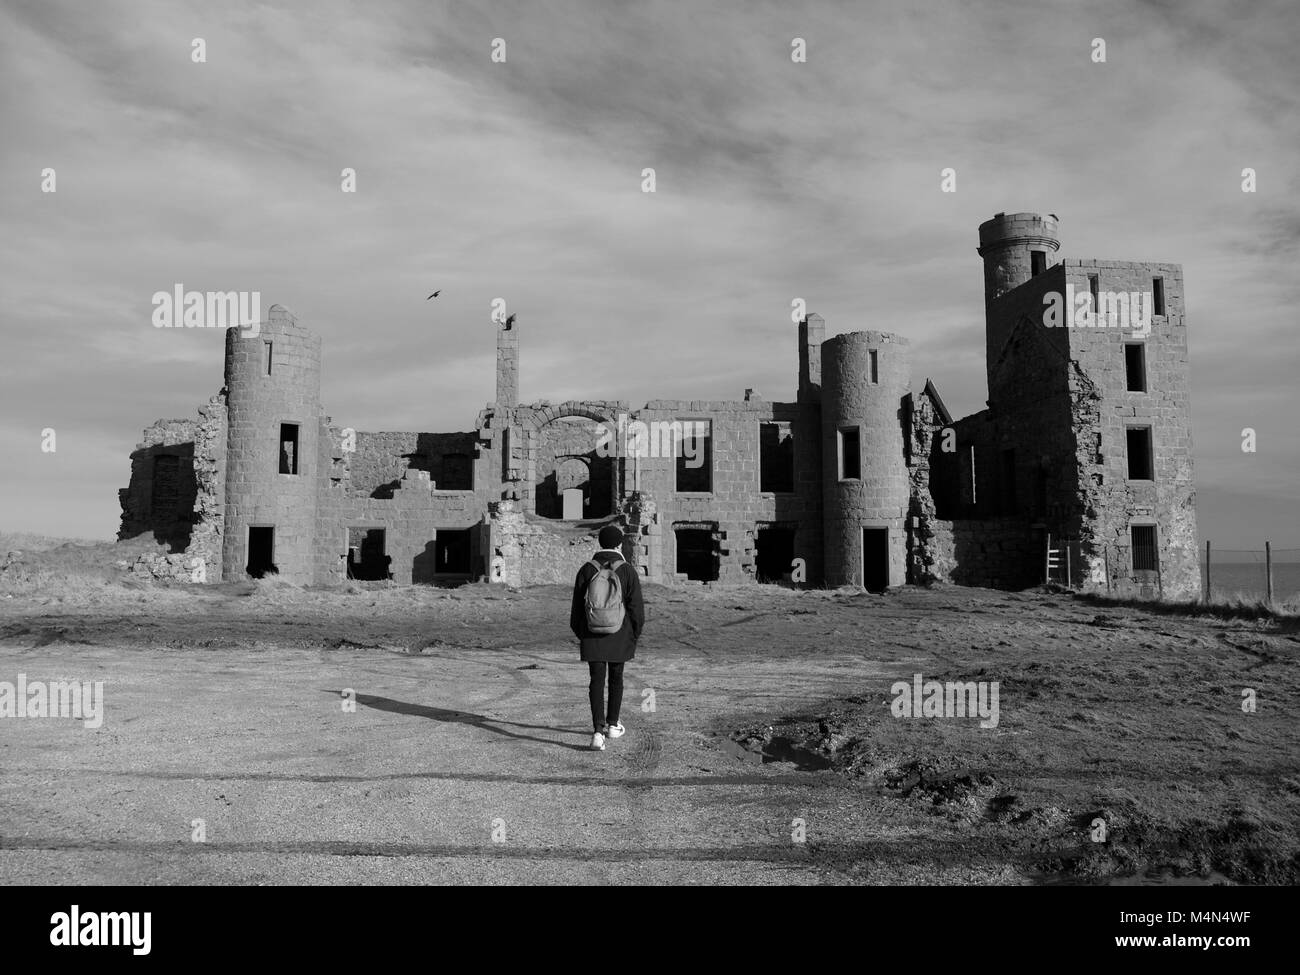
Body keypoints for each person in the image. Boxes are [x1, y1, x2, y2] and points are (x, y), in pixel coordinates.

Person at [570, 524, 644, 751]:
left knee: (596, 681)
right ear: (619, 543)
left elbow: (575, 612)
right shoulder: (627, 570)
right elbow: (637, 610)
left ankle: (597, 733)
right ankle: (613, 724)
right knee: (616, 678)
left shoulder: (587, 569)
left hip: (592, 633)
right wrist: (633, 635)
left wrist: (584, 634)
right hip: (620, 633)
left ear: (600, 543)